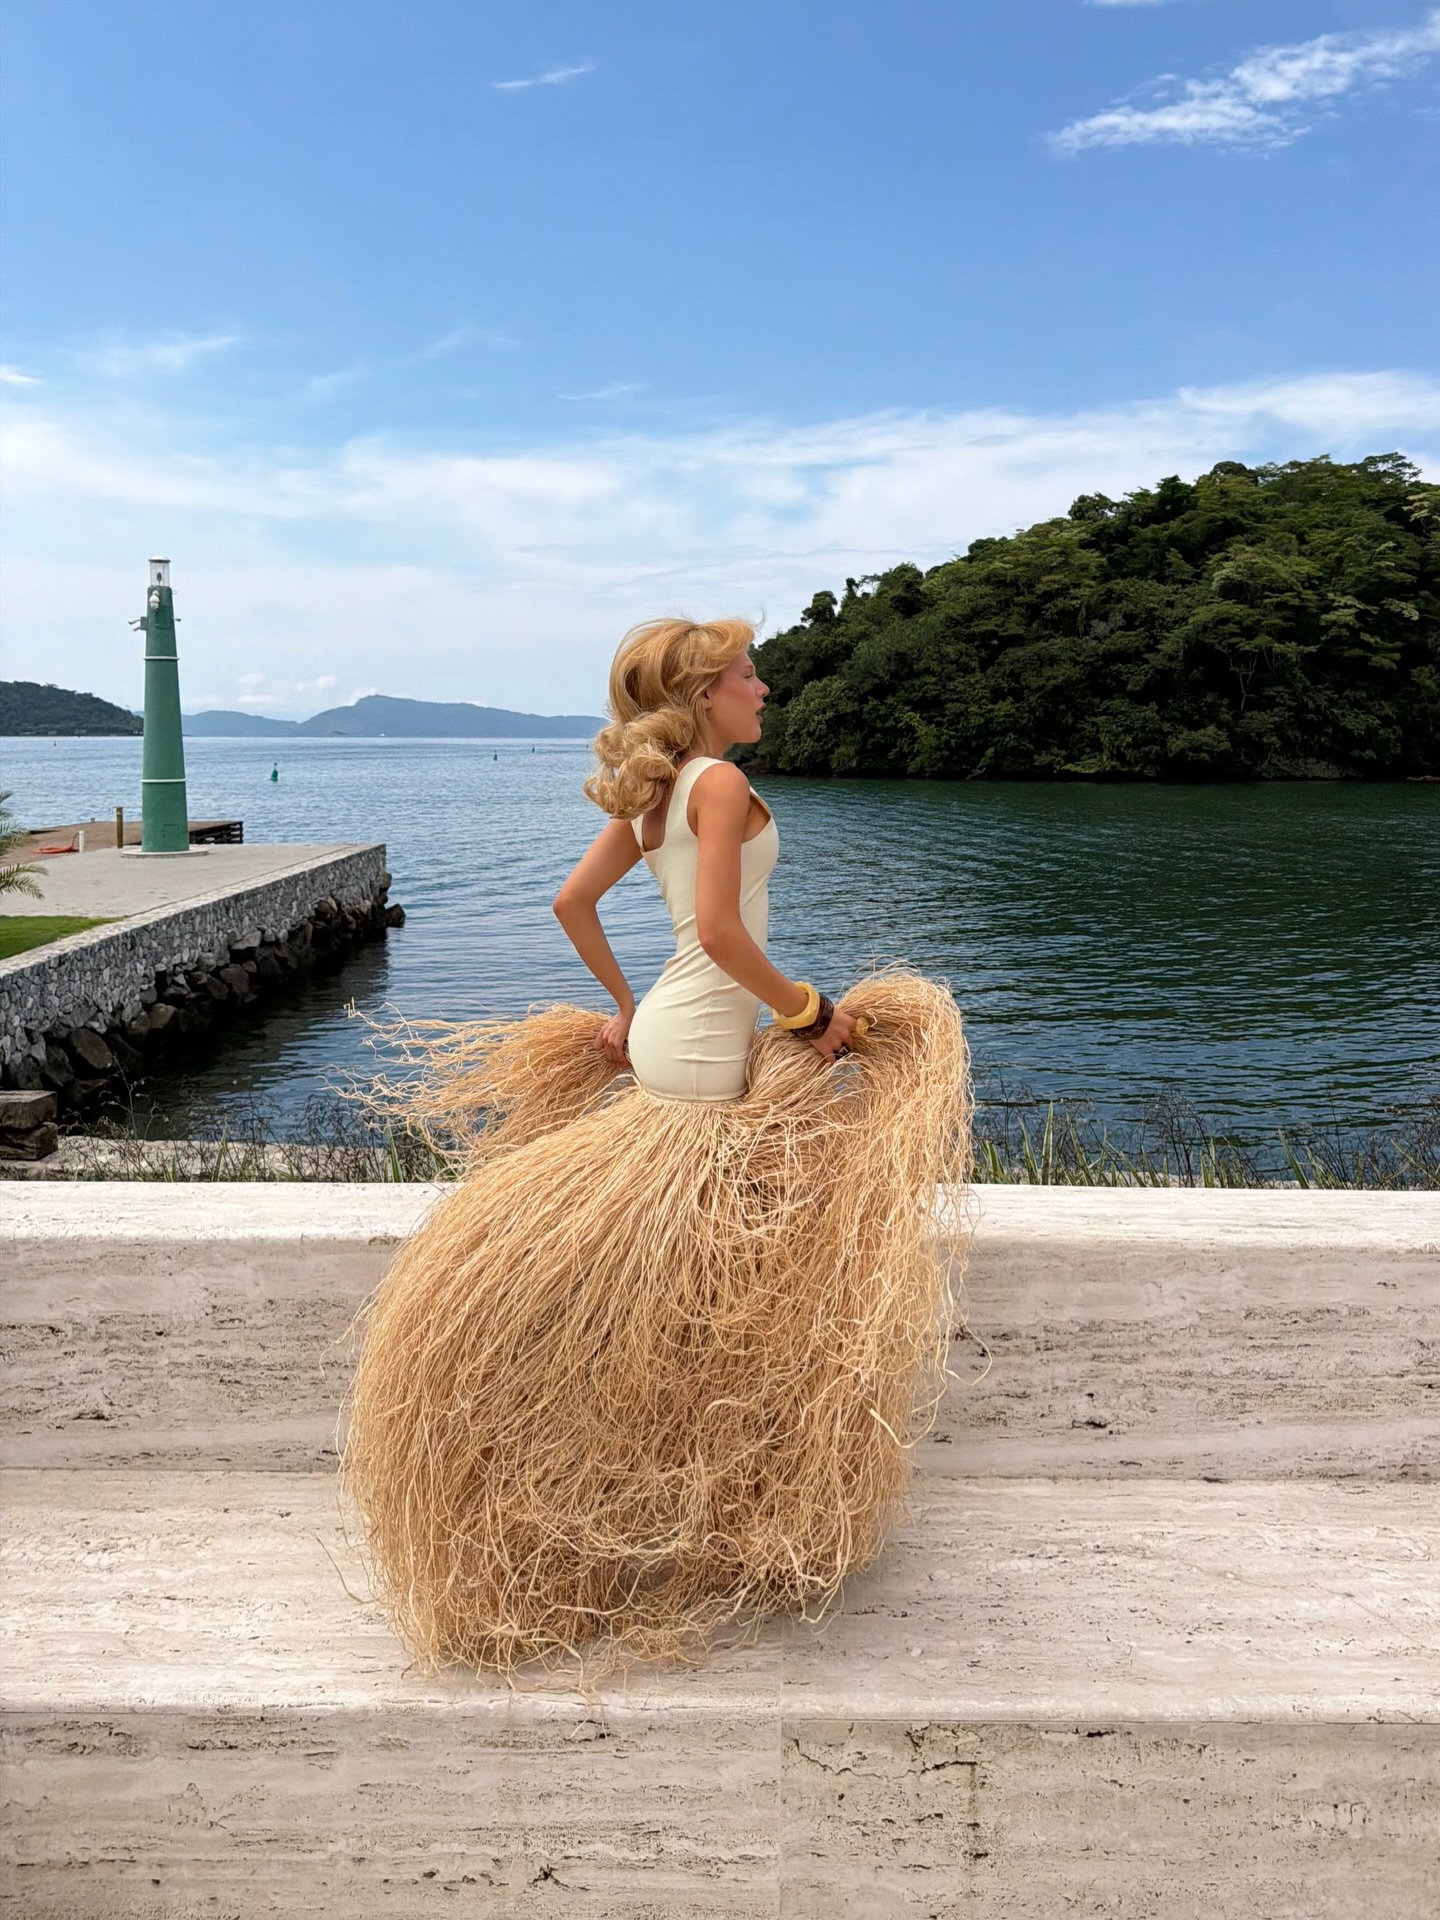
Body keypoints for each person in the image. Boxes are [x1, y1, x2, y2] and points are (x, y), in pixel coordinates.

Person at [344, 617, 971, 1678]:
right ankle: (696, 1485)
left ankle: (692, 1485)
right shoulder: (715, 783)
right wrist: (811, 1012)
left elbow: (571, 904)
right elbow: (721, 936)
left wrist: (628, 1007)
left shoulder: (657, 795)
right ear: (702, 695)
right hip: (707, 1051)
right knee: (715, 1281)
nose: (762, 688)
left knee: (701, 1275)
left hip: (675, 1038)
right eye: (746, 675)